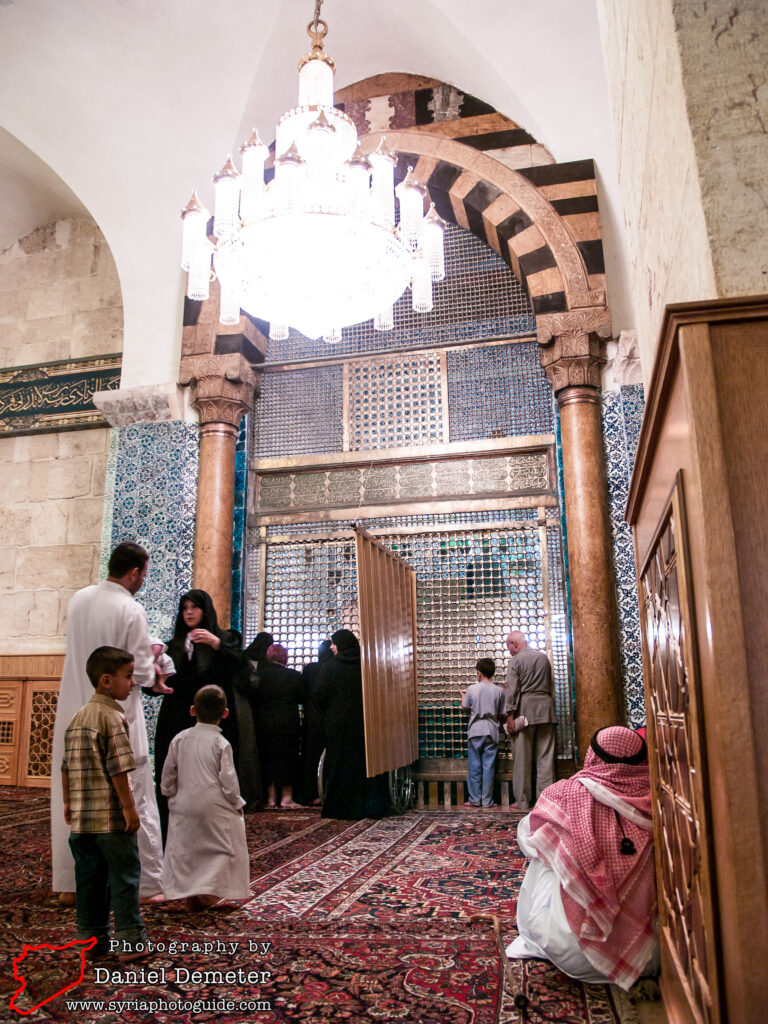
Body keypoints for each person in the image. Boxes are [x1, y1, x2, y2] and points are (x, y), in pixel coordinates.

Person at [51, 541, 168, 904]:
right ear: (134, 573)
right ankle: (147, 887)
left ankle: (71, 886)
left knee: (75, 795)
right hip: (117, 716)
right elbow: (144, 674)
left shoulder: (79, 599)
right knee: (135, 796)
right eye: (143, 575)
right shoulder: (130, 608)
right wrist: (157, 665)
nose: (142, 582)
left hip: (74, 709)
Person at [507, 726, 659, 990]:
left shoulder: (567, 793)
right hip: (652, 955)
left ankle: (544, 930)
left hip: (571, 951)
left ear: (593, 756)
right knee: (555, 843)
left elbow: (526, 838)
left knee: (545, 845)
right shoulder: (658, 798)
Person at [61, 646, 149, 962]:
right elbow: (118, 766)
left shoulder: (77, 718)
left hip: (83, 822)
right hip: (111, 820)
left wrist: (68, 804)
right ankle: (129, 944)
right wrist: (129, 807)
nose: (132, 682)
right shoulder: (113, 716)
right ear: (106, 681)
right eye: (128, 676)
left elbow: (66, 767)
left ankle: (91, 941)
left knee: (88, 882)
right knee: (124, 879)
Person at [153, 590, 260, 838]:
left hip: (215, 721)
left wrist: (216, 644)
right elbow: (158, 685)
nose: (189, 612)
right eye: (185, 608)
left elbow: (242, 672)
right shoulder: (174, 645)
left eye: (194, 607)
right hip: (177, 720)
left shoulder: (224, 640)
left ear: (205, 610)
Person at [161, 685, 250, 911]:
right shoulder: (221, 743)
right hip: (213, 805)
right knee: (223, 847)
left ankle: (190, 893)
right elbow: (228, 781)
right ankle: (211, 890)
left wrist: (168, 792)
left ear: (192, 711)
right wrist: (237, 804)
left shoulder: (179, 738)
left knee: (186, 848)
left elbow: (168, 772)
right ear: (225, 714)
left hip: (183, 804)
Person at [314, 628, 390, 820]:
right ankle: (371, 806)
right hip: (366, 723)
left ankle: (342, 807)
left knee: (340, 764)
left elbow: (319, 697)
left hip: (338, 724)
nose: (331, 647)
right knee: (365, 763)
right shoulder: (368, 666)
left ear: (340, 644)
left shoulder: (330, 668)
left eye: (333, 643)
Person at [505, 630, 556, 811]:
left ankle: (522, 801)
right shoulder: (543, 658)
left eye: (509, 647)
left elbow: (511, 690)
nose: (509, 651)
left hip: (525, 710)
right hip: (547, 709)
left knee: (522, 758)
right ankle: (545, 802)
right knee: (545, 758)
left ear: (515, 644)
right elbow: (549, 684)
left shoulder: (516, 661)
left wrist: (510, 716)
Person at [250, 643, 305, 808]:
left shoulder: (260, 675)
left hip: (264, 723)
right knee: (288, 759)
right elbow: (302, 697)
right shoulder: (294, 676)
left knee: (268, 759)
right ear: (284, 658)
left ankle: (271, 798)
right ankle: (286, 798)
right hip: (288, 723)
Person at [460, 657, 506, 808]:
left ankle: (474, 799)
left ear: (479, 673)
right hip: (492, 730)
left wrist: (463, 699)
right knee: (489, 767)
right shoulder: (499, 691)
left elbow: (466, 707)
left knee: (474, 766)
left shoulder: (472, 689)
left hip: (475, 730)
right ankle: (487, 801)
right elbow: (502, 713)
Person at [297, 639, 333, 805]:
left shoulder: (310, 669)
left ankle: (310, 793)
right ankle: (328, 792)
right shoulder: (334, 668)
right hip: (330, 718)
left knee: (311, 756)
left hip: (311, 720)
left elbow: (302, 693)